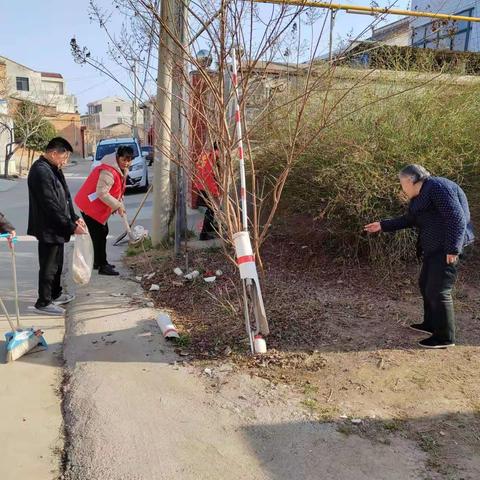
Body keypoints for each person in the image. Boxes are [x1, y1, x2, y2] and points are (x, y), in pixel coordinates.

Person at [365, 164, 474, 349]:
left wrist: (453, 249)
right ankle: (431, 324)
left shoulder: (438, 187)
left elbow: (457, 218)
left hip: (447, 248)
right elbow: (409, 220)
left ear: (410, 180)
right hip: (434, 248)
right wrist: (382, 225)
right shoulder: (420, 197)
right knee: (425, 285)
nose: (401, 187)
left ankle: (444, 337)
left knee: (438, 290)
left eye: (401, 183)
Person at [28, 137, 87, 316]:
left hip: (57, 226)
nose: (65, 161)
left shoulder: (53, 168)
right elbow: (50, 204)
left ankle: (55, 293)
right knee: (49, 266)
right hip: (48, 227)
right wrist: (70, 226)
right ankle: (44, 301)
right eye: (64, 156)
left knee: (57, 263)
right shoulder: (40, 171)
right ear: (54, 153)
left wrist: (74, 218)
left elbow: (65, 197)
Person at [74, 146, 132, 276]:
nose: (126, 163)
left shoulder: (120, 169)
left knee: (101, 233)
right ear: (117, 157)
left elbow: (116, 190)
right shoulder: (108, 171)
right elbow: (101, 192)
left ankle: (98, 262)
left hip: (95, 206)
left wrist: (118, 204)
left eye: (129, 160)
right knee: (99, 234)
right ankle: (102, 265)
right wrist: (117, 205)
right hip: (90, 206)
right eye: (124, 159)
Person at [194, 142, 220, 241]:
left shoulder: (204, 155)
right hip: (206, 187)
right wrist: (216, 192)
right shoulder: (211, 159)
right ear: (217, 150)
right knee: (210, 210)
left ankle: (210, 228)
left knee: (210, 210)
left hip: (201, 185)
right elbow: (209, 177)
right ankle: (204, 235)